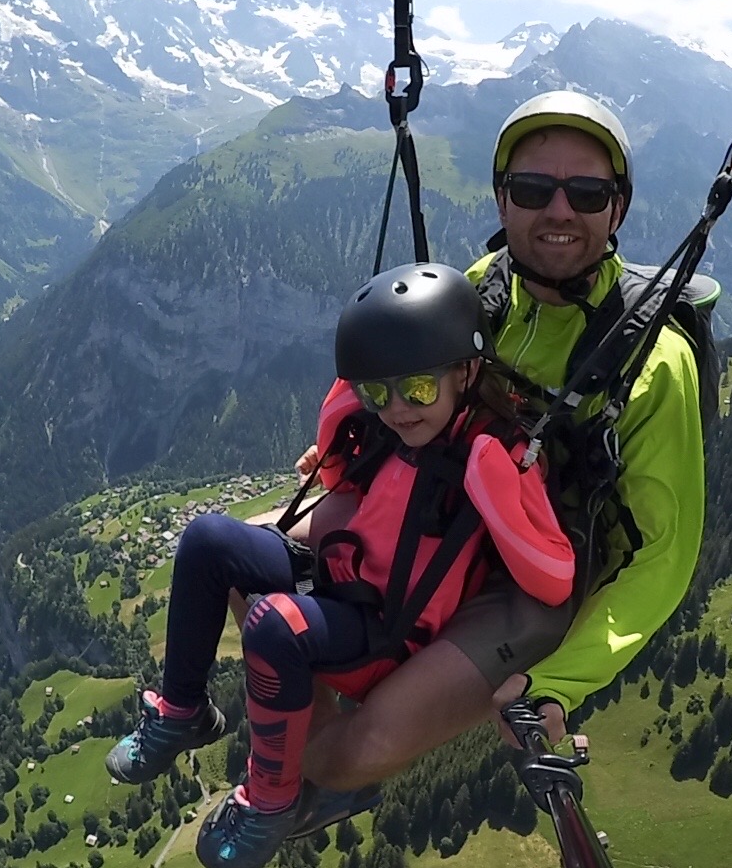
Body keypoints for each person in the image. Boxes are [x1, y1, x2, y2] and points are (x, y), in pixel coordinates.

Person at [291, 90, 706, 797]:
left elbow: (662, 560)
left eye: (587, 192)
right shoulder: (479, 293)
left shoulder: (655, 363)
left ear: (618, 208)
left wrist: (556, 683)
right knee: (246, 556)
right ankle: (330, 711)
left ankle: (320, 774)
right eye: (534, 188)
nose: (559, 211)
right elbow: (412, 393)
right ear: (502, 200)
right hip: (444, 523)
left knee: (343, 755)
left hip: (531, 584)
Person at [104, 261, 575, 868]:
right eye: (380, 391)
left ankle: (271, 801)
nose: (401, 408)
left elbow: (554, 578)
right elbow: (346, 487)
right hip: (338, 579)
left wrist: (496, 489)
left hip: (386, 632)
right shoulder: (393, 429)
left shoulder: (499, 456)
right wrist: (340, 428)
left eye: (420, 389)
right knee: (206, 537)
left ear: (466, 371)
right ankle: (182, 711)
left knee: (273, 626)